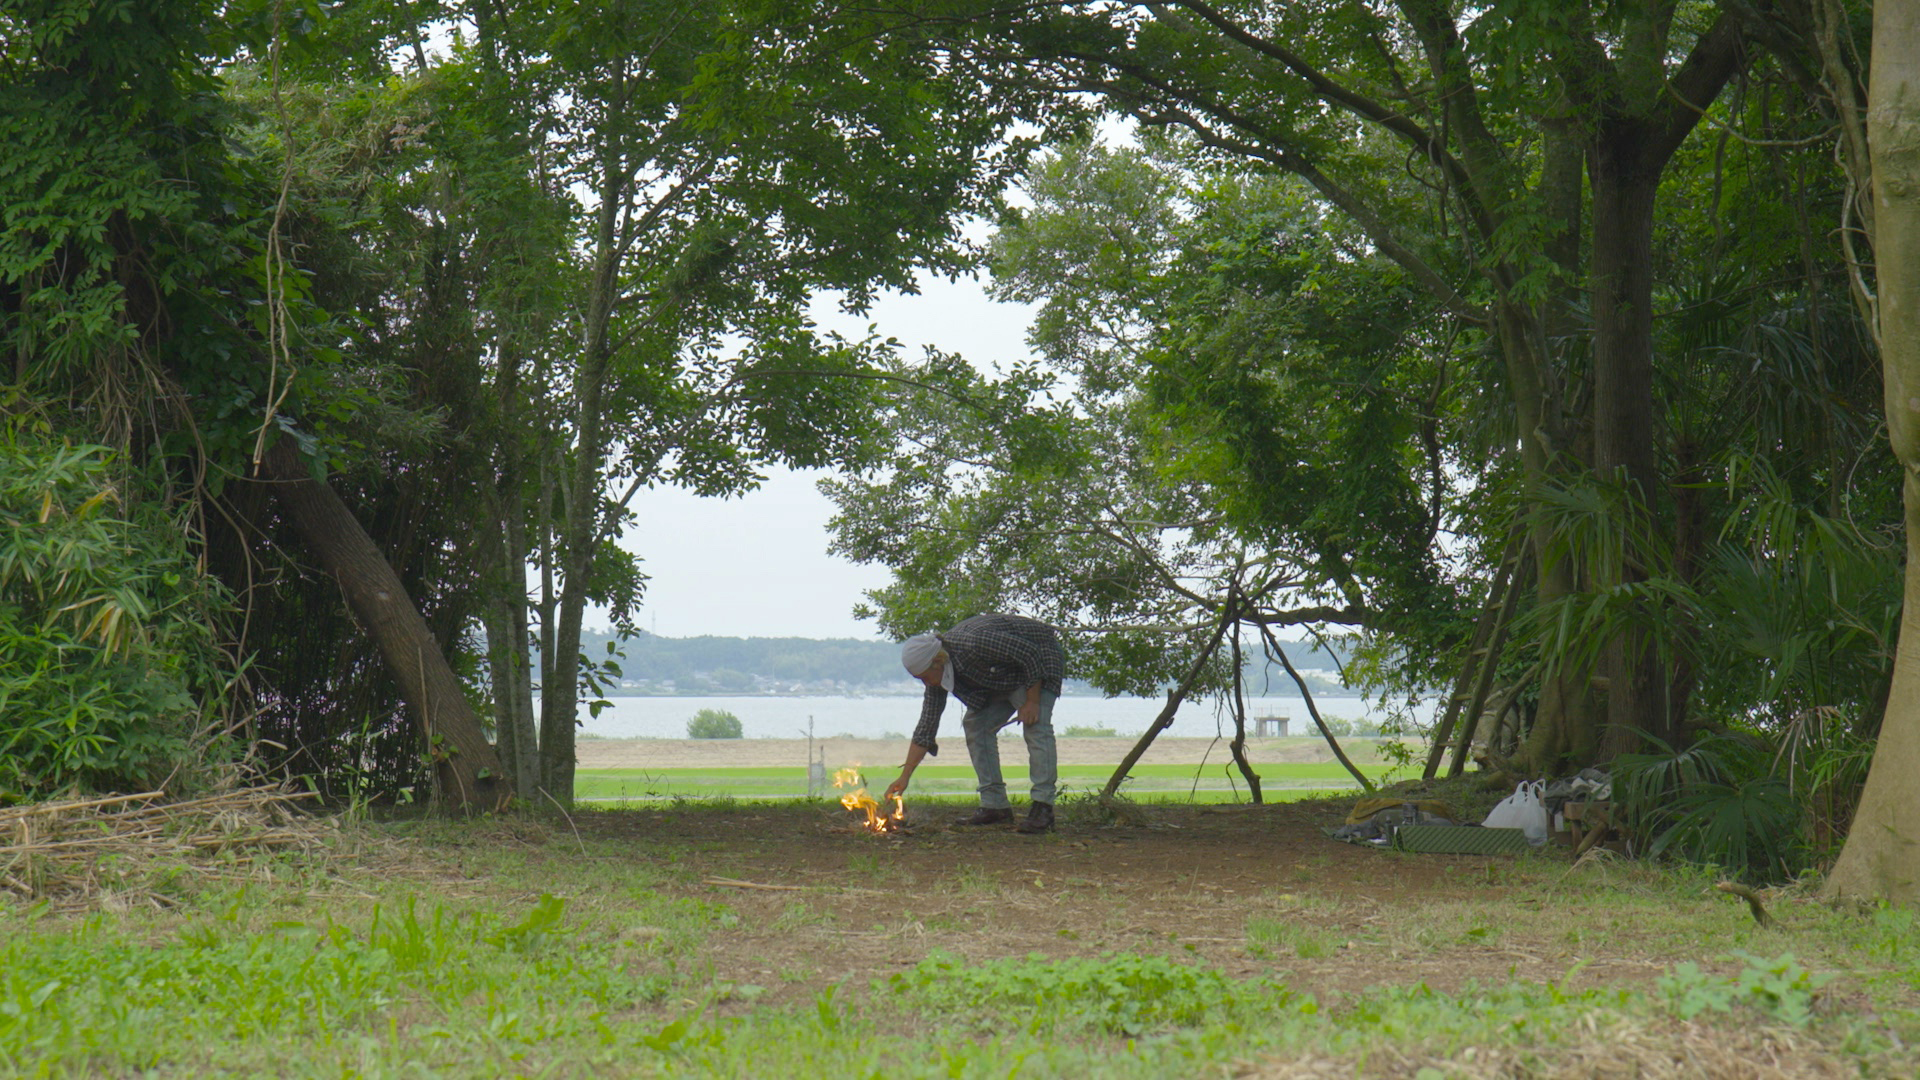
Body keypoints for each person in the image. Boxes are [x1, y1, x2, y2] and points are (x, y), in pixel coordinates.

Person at [884, 613, 1065, 834]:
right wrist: (905, 777)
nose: (926, 683)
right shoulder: (939, 675)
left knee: (1036, 725)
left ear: (938, 661)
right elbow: (927, 726)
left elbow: (1030, 653)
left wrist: (1032, 701)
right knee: (976, 724)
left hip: (1039, 659)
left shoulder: (974, 644)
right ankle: (994, 805)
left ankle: (1042, 808)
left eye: (924, 677)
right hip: (1003, 675)